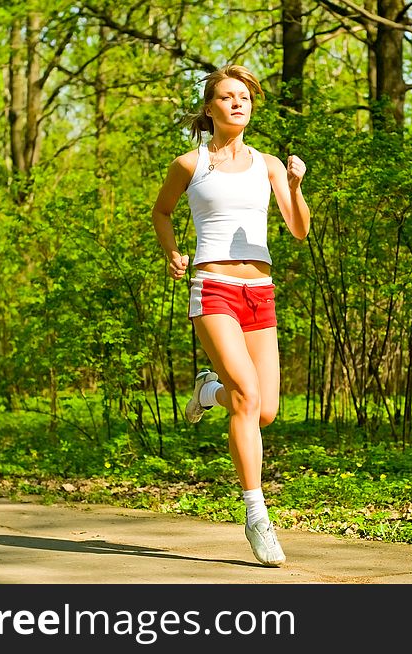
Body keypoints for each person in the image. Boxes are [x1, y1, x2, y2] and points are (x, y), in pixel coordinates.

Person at [151, 64, 310, 566]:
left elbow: (299, 230)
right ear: (210, 107)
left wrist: (296, 184)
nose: (237, 103)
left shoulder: (267, 165)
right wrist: (172, 252)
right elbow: (161, 212)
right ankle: (257, 514)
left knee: (263, 410)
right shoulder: (189, 163)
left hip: (260, 289)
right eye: (226, 96)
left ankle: (207, 391)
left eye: (244, 96)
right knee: (246, 396)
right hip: (213, 286)